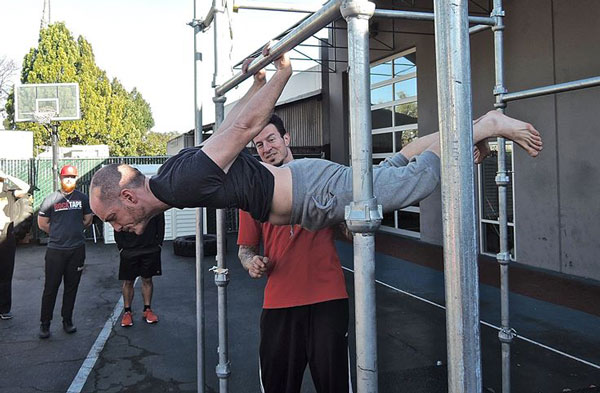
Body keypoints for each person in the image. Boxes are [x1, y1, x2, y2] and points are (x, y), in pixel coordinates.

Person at [89, 48, 543, 236]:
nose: (116, 226)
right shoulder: (173, 174)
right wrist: (259, 80)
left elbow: (244, 130)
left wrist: (282, 74)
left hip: (312, 193)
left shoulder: (179, 184)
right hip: (308, 187)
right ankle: (475, 126)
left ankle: (484, 128)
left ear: (128, 195)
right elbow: (229, 128)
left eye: (112, 217)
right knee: (395, 168)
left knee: (402, 188)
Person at [238, 111, 351, 392]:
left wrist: (350, 219)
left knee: (334, 385)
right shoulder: (253, 192)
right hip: (279, 303)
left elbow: (349, 228)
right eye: (259, 145)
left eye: (271, 139)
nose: (266, 148)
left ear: (286, 138)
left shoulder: (319, 177)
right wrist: (252, 262)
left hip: (328, 297)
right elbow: (245, 249)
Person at [37, 165, 93, 339]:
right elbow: (42, 223)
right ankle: (45, 325)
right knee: (50, 288)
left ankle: (67, 321)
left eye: (72, 177)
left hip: (76, 250)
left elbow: (88, 220)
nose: (69, 180)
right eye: (66, 177)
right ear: (60, 179)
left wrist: (74, 230)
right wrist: (58, 233)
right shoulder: (51, 199)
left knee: (71, 288)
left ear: (76, 179)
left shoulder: (83, 198)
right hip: (56, 251)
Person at [114, 212, 164, 327]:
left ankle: (147, 310)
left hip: (150, 248)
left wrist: (158, 244)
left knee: (147, 279)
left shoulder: (152, 199)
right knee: (128, 281)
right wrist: (121, 246)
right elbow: (117, 220)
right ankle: (127, 312)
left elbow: (160, 221)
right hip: (129, 249)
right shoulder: (124, 198)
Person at [0, 169, 31, 320]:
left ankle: (4, 309)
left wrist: (7, 176)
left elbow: (25, 188)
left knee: (5, 276)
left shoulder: (9, 193)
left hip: (6, 239)